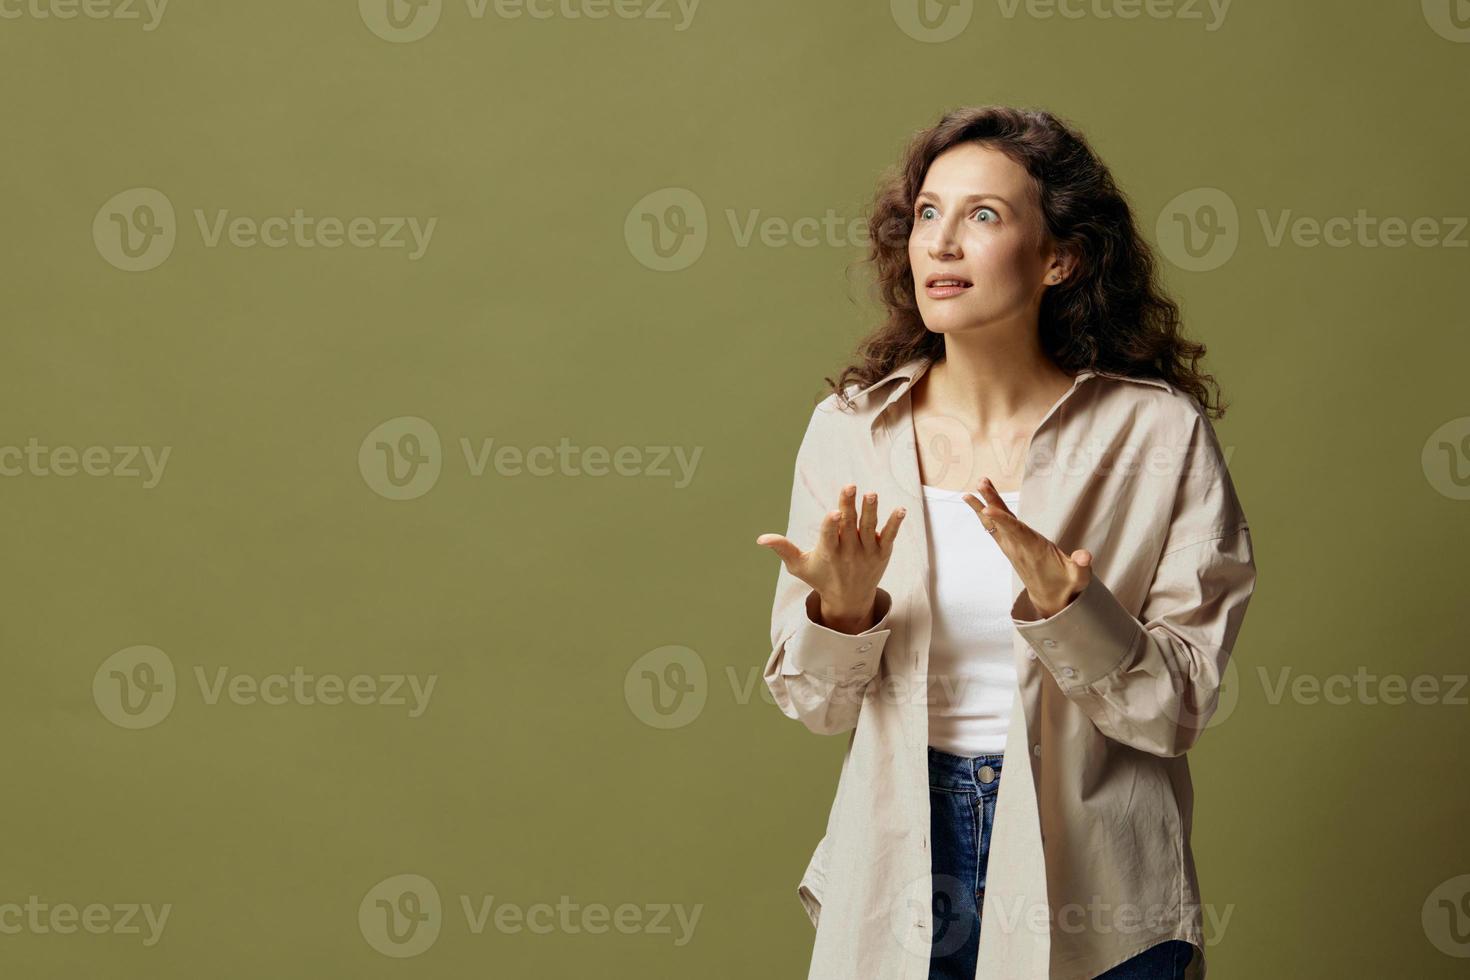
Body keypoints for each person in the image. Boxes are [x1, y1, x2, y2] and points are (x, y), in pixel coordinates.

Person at [756, 106, 1256, 980]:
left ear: (1060, 257)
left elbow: (1179, 706)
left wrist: (1069, 607)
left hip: (1098, 873)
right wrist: (842, 611)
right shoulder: (849, 432)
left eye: (983, 216)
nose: (942, 243)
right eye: (927, 214)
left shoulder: (1156, 434)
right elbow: (815, 706)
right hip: (900, 859)